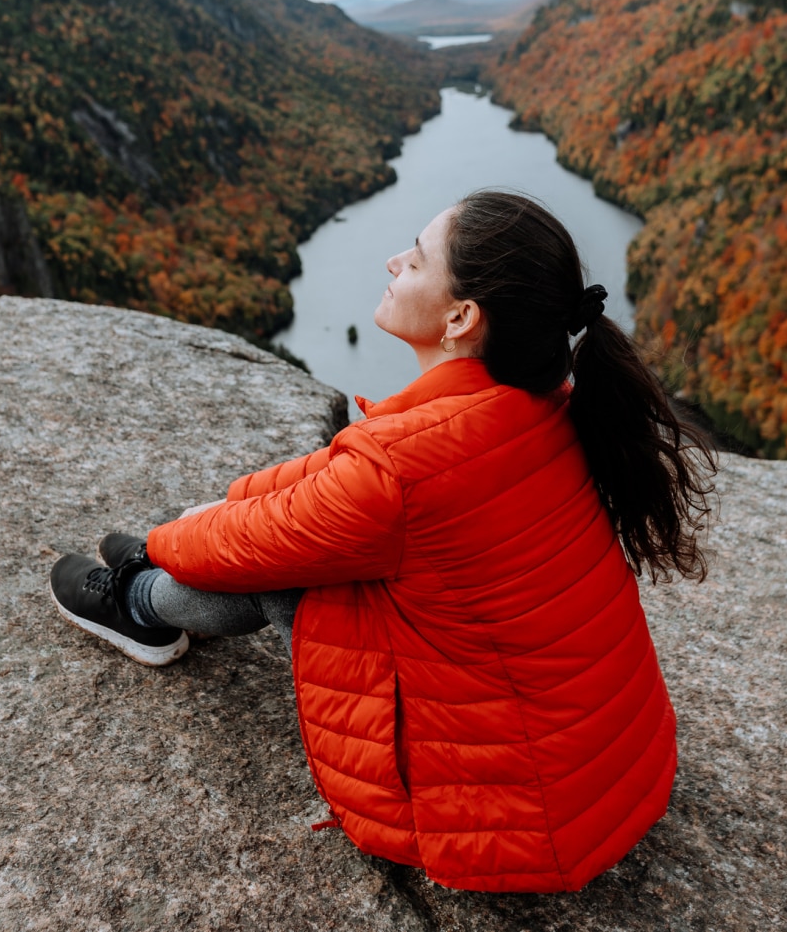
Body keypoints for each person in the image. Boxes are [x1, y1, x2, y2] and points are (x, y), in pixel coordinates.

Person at [49, 190, 715, 893]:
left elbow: (256, 542)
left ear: (461, 317)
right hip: (606, 780)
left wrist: (165, 541)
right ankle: (154, 587)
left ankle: (139, 603)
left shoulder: (404, 468)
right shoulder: (539, 402)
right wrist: (230, 502)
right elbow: (335, 475)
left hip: (509, 822)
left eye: (417, 258)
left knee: (288, 569)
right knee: (289, 537)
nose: (395, 260)